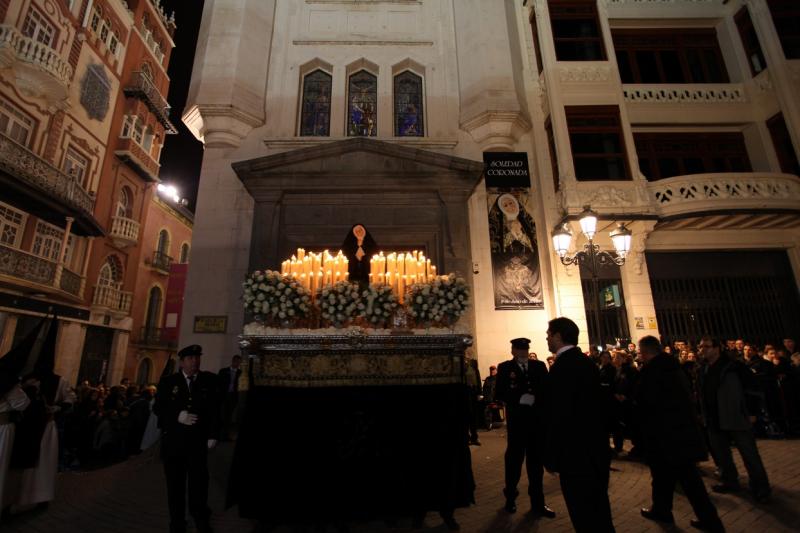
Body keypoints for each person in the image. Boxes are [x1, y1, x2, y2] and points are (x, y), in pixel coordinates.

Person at [635, 336, 725, 532]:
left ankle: (710, 521)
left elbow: (649, 402)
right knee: (663, 476)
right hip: (675, 433)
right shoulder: (672, 367)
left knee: (688, 480)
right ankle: (662, 509)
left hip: (667, 434)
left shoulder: (655, 371)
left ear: (647, 352)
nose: (639, 356)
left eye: (640, 352)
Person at [544, 317, 614, 533]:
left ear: (557, 336)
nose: (546, 338)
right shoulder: (587, 364)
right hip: (596, 451)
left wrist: (551, 456)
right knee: (600, 510)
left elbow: (559, 416)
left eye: (549, 334)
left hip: (574, 456)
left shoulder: (561, 368)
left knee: (583, 514)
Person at [154, 345, 220, 533]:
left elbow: (214, 410)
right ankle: (177, 522)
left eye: (197, 358)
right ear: (182, 362)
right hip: (174, 443)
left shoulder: (208, 381)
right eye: (190, 358)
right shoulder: (168, 382)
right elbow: (158, 408)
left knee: (199, 484)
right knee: (175, 485)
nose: (195, 361)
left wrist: (213, 434)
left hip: (197, 443)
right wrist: (176, 415)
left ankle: (200, 518)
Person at [697, 336, 771, 503]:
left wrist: (752, 412)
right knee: (722, 454)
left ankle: (761, 486)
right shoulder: (703, 368)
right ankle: (730, 480)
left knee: (749, 453)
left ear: (717, 348)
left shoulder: (734, 366)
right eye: (701, 347)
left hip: (735, 414)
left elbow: (753, 389)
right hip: (714, 417)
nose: (702, 350)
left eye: (706, 347)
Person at [495, 338, 554, 518]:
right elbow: (499, 392)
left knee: (536, 465)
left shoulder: (539, 366)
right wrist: (517, 399)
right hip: (517, 424)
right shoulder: (505, 367)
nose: (522, 353)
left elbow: (546, 389)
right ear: (512, 351)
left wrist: (537, 398)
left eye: (525, 350)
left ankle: (538, 502)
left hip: (536, 423)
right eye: (519, 350)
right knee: (514, 462)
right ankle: (510, 499)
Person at [217, 355, 242, 441]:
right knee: (221, 415)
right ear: (232, 361)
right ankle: (218, 434)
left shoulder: (240, 373)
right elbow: (218, 384)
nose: (237, 363)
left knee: (228, 417)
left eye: (239, 362)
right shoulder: (223, 371)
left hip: (233, 397)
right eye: (236, 361)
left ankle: (225, 435)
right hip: (223, 396)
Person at [464, 355, 482, 446]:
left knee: (473, 415)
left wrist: (480, 392)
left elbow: (478, 377)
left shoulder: (473, 363)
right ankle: (466, 438)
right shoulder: (459, 362)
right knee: (465, 415)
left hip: (473, 392)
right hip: (464, 393)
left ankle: (474, 437)